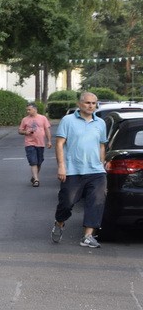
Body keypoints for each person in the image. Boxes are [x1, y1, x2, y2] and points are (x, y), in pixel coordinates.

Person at [51, 91, 107, 248]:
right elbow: (60, 143)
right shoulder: (68, 120)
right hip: (73, 170)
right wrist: (61, 166)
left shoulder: (100, 123)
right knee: (67, 202)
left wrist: (102, 164)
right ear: (79, 104)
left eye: (94, 103)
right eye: (88, 102)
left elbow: (102, 145)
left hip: (96, 171)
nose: (91, 106)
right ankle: (59, 222)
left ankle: (88, 236)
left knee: (96, 202)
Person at [18, 103, 52, 186]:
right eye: (27, 110)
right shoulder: (25, 119)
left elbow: (47, 130)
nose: (27, 111)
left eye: (29, 109)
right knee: (33, 161)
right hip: (29, 143)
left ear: (35, 109)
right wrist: (25, 132)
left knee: (39, 162)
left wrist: (49, 141)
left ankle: (34, 176)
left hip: (40, 143)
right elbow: (20, 131)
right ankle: (36, 180)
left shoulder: (43, 118)